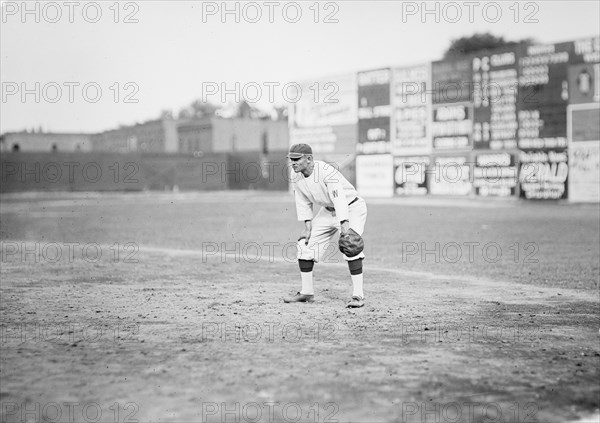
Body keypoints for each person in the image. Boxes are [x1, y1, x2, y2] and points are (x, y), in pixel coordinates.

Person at [283, 143, 367, 308]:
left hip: (351, 207)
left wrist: (344, 226)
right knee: (304, 244)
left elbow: (339, 198)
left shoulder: (326, 171)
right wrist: (308, 227)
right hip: (327, 211)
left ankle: (358, 296)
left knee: (351, 244)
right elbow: (302, 200)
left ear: (309, 159)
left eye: (296, 159)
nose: (293, 162)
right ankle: (307, 292)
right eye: (291, 159)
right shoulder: (296, 175)